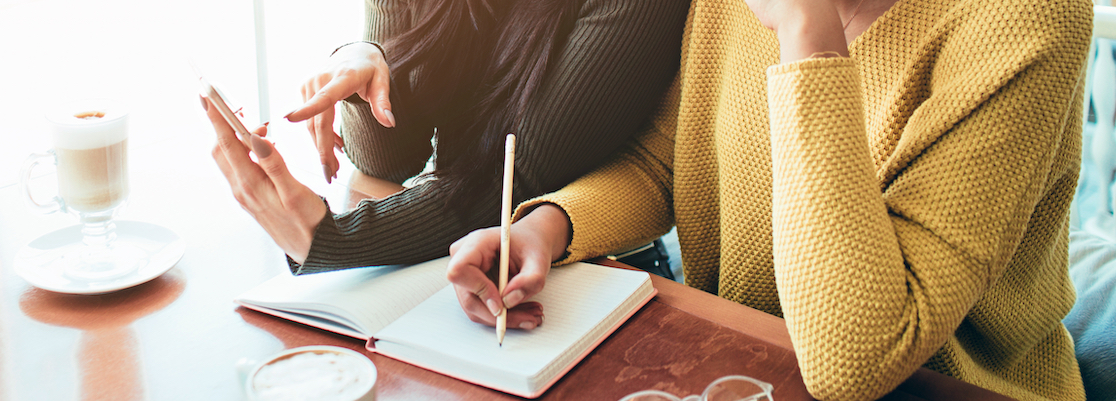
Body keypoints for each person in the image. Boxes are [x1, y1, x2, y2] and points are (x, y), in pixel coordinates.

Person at [443, 0, 1092, 399]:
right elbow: (663, 161)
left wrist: (807, 32)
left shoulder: (1027, 16)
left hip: (944, 385)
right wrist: (550, 228)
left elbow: (855, 360)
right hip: (742, 366)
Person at [203, 0, 690, 276]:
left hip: (597, 273)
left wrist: (329, 240)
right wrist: (367, 57)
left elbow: (512, 179)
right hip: (452, 241)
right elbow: (388, 160)